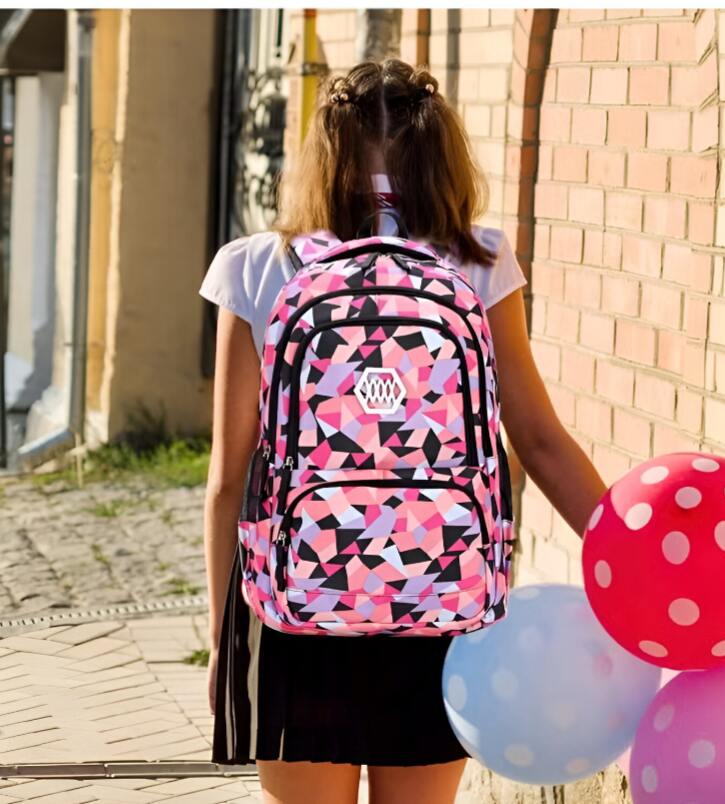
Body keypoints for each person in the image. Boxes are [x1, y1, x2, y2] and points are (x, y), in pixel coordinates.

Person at [198, 59, 606, 804]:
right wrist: (628, 559)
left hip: (299, 600)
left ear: (321, 157)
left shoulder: (256, 268)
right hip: (440, 594)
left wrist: (228, 635)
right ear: (439, 154)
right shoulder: (477, 262)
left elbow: (231, 476)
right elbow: (539, 439)